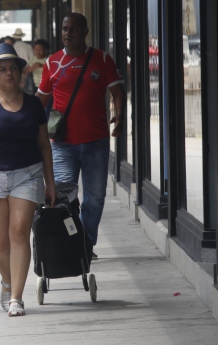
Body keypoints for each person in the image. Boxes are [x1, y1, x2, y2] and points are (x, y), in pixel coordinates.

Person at [0, 43, 56, 317]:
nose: (9, 74)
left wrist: (50, 182)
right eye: (2, 69)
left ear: (21, 73)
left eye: (13, 68)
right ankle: (7, 279)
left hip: (27, 175)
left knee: (18, 232)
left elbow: (44, 145)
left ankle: (16, 297)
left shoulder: (32, 105)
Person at [36, 13, 125, 258]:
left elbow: (117, 90)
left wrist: (120, 114)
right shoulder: (52, 63)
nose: (68, 33)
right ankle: (69, 244)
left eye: (74, 29)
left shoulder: (102, 59)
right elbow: (39, 100)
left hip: (97, 142)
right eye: (65, 29)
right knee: (63, 198)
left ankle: (85, 245)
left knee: (94, 199)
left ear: (85, 31)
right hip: (63, 144)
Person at [11, 28, 35, 94]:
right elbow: (32, 59)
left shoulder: (12, 47)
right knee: (28, 90)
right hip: (27, 70)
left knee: (17, 90)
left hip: (16, 70)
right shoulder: (28, 46)